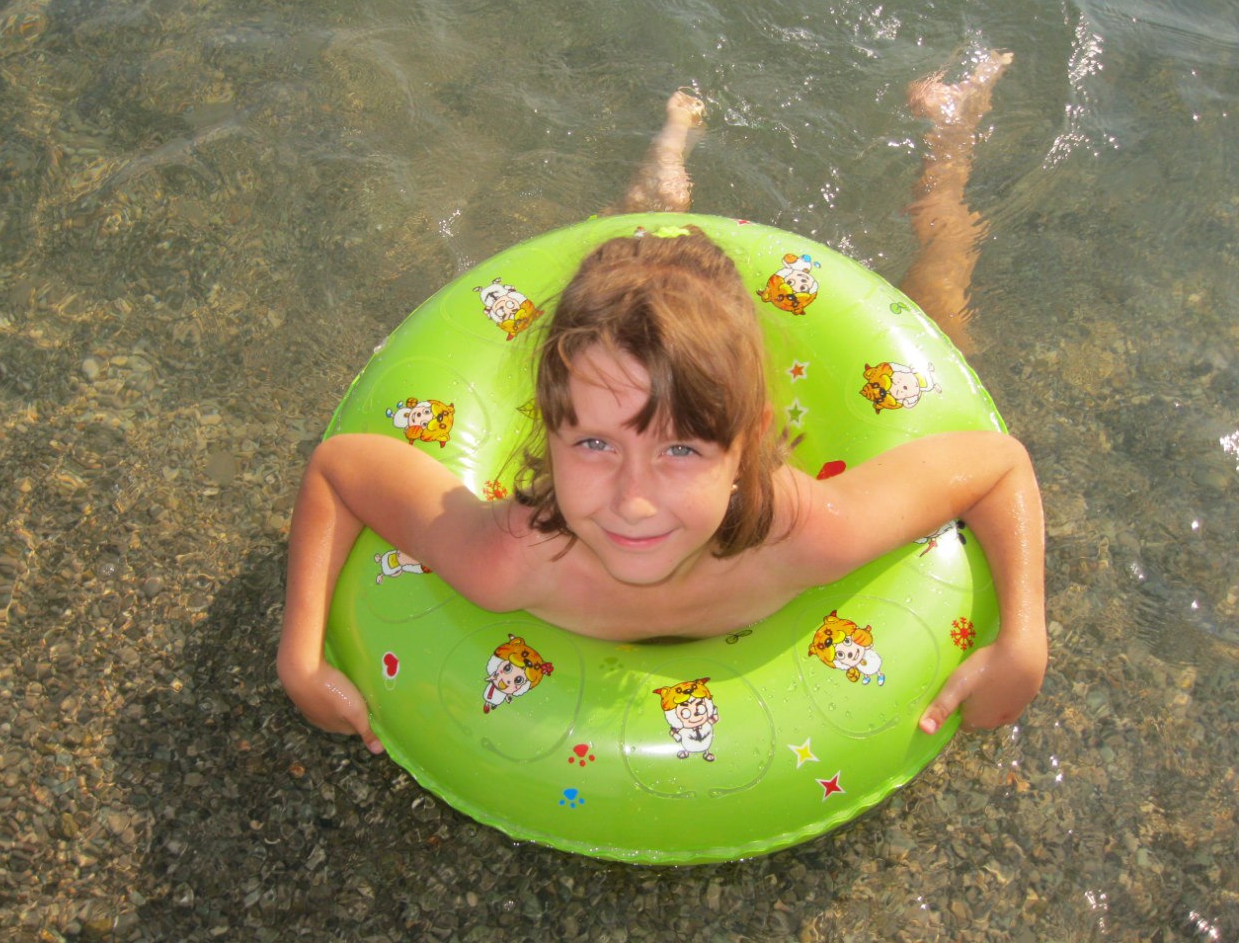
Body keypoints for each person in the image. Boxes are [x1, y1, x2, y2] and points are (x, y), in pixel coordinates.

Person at [278, 51, 1044, 755]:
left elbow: (997, 467)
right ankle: (667, 160)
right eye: (595, 444)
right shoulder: (510, 559)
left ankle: (949, 140)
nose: (633, 500)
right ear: (547, 427)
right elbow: (341, 471)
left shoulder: (807, 533)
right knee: (616, 296)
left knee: (939, 310)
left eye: (681, 449)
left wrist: (1022, 641)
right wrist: (301, 658)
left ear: (748, 444)